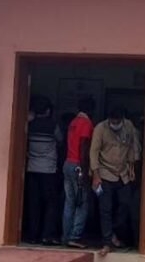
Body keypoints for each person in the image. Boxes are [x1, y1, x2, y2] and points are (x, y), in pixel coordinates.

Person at [90, 105, 141, 252]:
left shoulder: (129, 126)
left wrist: (131, 167)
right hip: (105, 173)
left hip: (123, 174)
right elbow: (94, 152)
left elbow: (131, 147)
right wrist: (95, 175)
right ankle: (107, 242)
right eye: (113, 121)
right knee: (105, 208)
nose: (115, 124)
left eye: (118, 122)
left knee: (126, 204)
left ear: (123, 119)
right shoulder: (100, 129)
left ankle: (113, 231)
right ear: (109, 119)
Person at [25, 95, 62, 245]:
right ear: (48, 110)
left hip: (32, 169)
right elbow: (60, 140)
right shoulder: (53, 126)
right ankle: (47, 235)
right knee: (51, 204)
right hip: (48, 170)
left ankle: (32, 236)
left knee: (34, 204)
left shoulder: (29, 125)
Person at [62, 96, 95, 248]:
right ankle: (75, 237)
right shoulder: (86, 123)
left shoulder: (73, 122)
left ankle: (66, 236)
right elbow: (83, 147)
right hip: (78, 165)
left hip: (68, 163)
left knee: (69, 202)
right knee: (82, 202)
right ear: (90, 109)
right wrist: (84, 169)